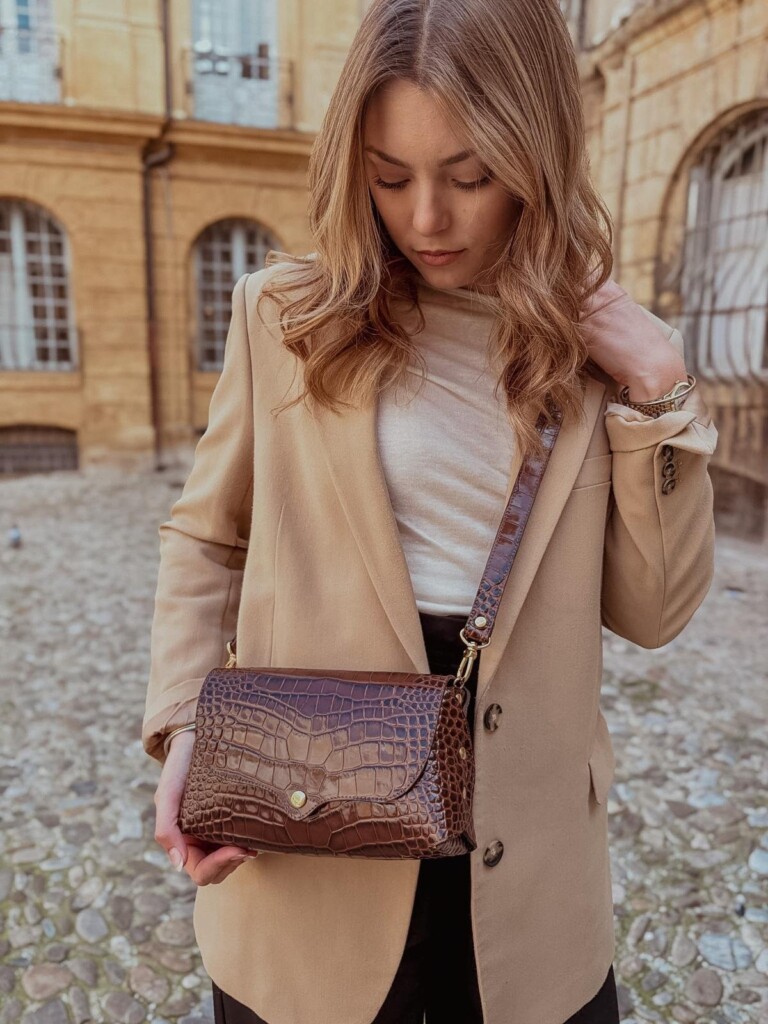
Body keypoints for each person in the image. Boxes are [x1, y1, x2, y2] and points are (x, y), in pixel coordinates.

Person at [142, 1, 718, 1022]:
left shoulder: (595, 349)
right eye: (389, 174)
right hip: (311, 805)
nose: (427, 219)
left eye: (470, 174)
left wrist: (659, 400)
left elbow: (654, 608)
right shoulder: (286, 316)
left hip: (528, 856)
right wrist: (185, 717)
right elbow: (207, 532)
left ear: (536, 154)